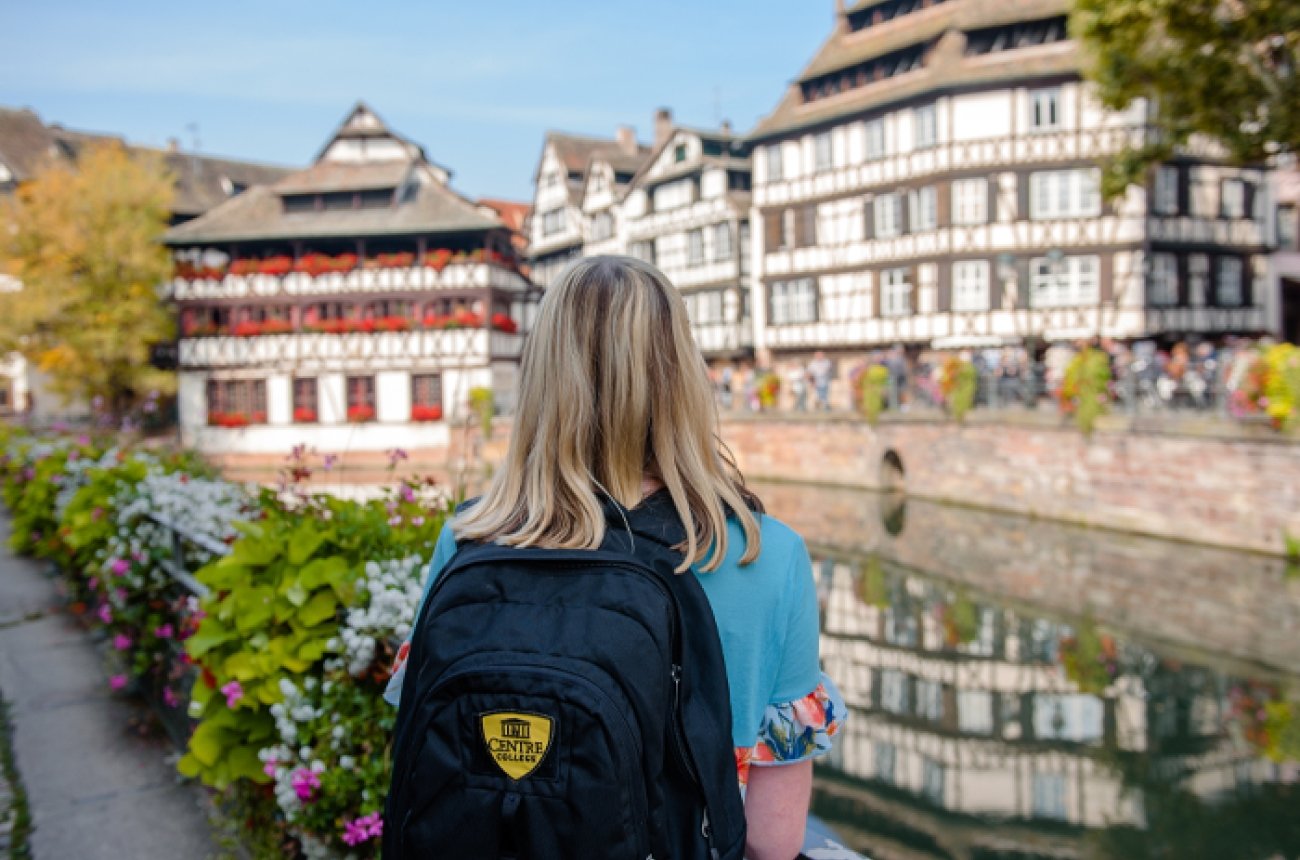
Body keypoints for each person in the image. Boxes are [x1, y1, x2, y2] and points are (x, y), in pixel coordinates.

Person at [385, 256, 842, 860]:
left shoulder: (472, 536)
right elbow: (770, 841)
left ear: (543, 377)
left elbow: (427, 758)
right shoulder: (766, 554)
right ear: (682, 374)